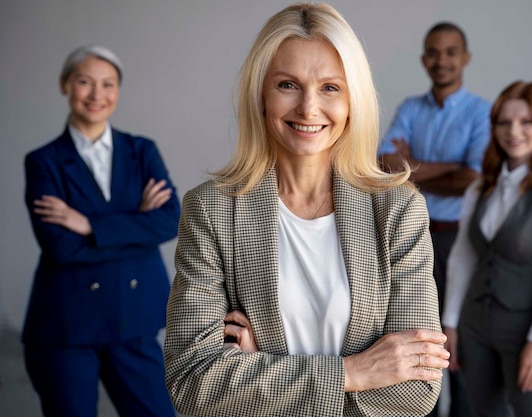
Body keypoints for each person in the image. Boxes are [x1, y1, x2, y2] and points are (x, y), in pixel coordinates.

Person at [164, 3, 449, 417]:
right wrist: (353, 371)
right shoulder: (211, 211)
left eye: (330, 87)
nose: (309, 108)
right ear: (260, 94)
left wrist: (262, 369)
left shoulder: (398, 210)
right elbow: (192, 383)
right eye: (287, 85)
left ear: (354, 100)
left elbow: (415, 394)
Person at [23, 45, 179, 417]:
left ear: (118, 91)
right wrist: (138, 225)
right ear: (65, 85)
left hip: (134, 319)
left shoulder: (141, 151)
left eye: (108, 84)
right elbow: (61, 247)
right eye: (84, 82)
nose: (97, 95)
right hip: (66, 326)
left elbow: (171, 220)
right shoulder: (43, 161)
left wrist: (89, 225)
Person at [442, 81, 532, 417]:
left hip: (526, 330)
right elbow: (463, 257)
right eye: (504, 122)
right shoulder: (480, 189)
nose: (514, 132)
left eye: (526, 122)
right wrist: (451, 323)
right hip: (474, 327)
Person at [378, 21, 490, 417]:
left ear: (465, 58)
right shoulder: (410, 108)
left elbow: (473, 179)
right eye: (433, 52)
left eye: (450, 52)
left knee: (459, 347)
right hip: (413, 235)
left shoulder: (481, 112)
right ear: (424, 59)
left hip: (460, 241)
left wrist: (411, 167)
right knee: (416, 339)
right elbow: (381, 165)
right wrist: (449, 168)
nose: (441, 60)